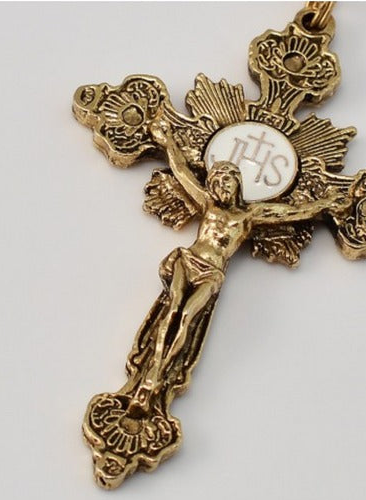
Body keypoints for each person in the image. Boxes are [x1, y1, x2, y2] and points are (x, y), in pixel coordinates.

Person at [127, 120, 348, 415]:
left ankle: (161, 373)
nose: (222, 187)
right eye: (217, 182)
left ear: (237, 184)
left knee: (188, 318)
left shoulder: (248, 215)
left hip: (212, 272)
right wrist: (167, 142)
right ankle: (151, 375)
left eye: (228, 181)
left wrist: (324, 204)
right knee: (173, 308)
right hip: (189, 260)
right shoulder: (208, 204)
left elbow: (290, 212)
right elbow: (181, 171)